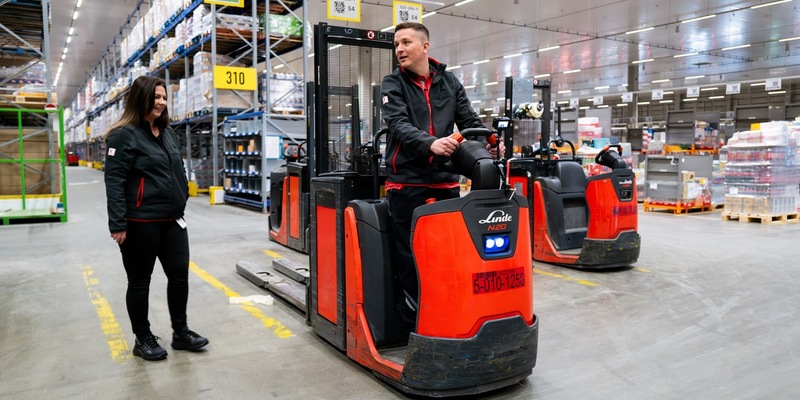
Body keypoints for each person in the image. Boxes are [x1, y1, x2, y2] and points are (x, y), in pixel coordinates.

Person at [380, 22, 504, 329]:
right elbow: (397, 124)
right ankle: (415, 323)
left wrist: (491, 142)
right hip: (406, 183)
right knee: (411, 257)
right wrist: (430, 142)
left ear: (425, 47)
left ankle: (448, 316)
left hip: (445, 182)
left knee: (447, 256)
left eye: (406, 42)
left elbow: (468, 119)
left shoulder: (449, 82)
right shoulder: (392, 84)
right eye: (396, 44)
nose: (399, 49)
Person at [104, 76, 208, 361]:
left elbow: (179, 169)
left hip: (173, 221)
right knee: (140, 282)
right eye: (156, 97)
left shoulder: (168, 132)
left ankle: (181, 332)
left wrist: (183, 195)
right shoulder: (123, 134)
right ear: (141, 99)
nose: (161, 102)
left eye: (164, 97)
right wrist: (118, 223)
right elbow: (114, 181)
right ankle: (143, 338)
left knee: (179, 277)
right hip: (140, 222)